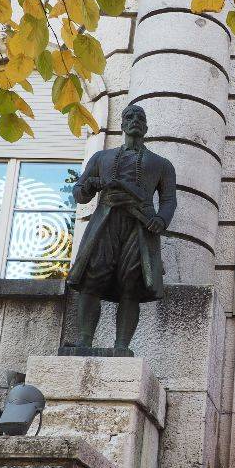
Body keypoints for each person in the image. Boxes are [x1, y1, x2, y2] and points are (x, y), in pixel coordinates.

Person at [66, 102, 177, 354]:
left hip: (139, 228)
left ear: (146, 127)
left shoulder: (162, 164)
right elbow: (79, 193)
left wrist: (161, 219)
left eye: (140, 117)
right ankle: (84, 340)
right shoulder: (100, 158)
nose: (135, 120)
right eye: (129, 116)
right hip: (105, 224)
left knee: (132, 284)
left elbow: (169, 200)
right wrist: (90, 186)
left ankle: (121, 346)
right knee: (93, 277)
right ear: (122, 124)